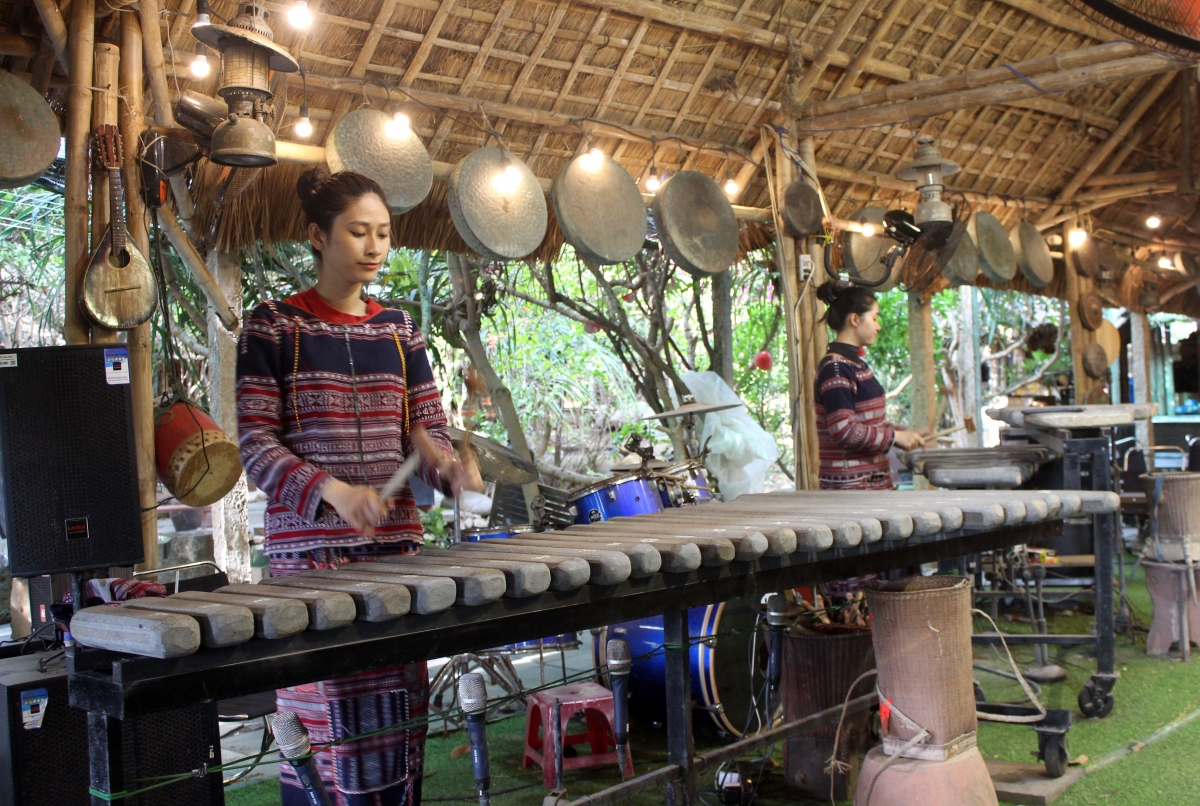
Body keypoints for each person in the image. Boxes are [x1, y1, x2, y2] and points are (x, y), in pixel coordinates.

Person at [237, 168, 472, 806]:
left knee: (399, 734)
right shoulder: (273, 328)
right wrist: (333, 490)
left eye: (384, 234)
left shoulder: (400, 331)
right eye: (358, 232)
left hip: (396, 562)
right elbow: (255, 446)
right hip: (314, 566)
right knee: (326, 747)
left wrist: (447, 466)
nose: (375, 246)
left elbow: (428, 432)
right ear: (318, 236)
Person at [814, 280, 925, 491]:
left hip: (869, 486)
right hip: (852, 491)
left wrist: (903, 434)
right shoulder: (835, 368)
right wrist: (894, 437)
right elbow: (843, 430)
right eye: (874, 318)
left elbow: (866, 423)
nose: (878, 326)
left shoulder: (855, 365)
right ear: (855, 319)